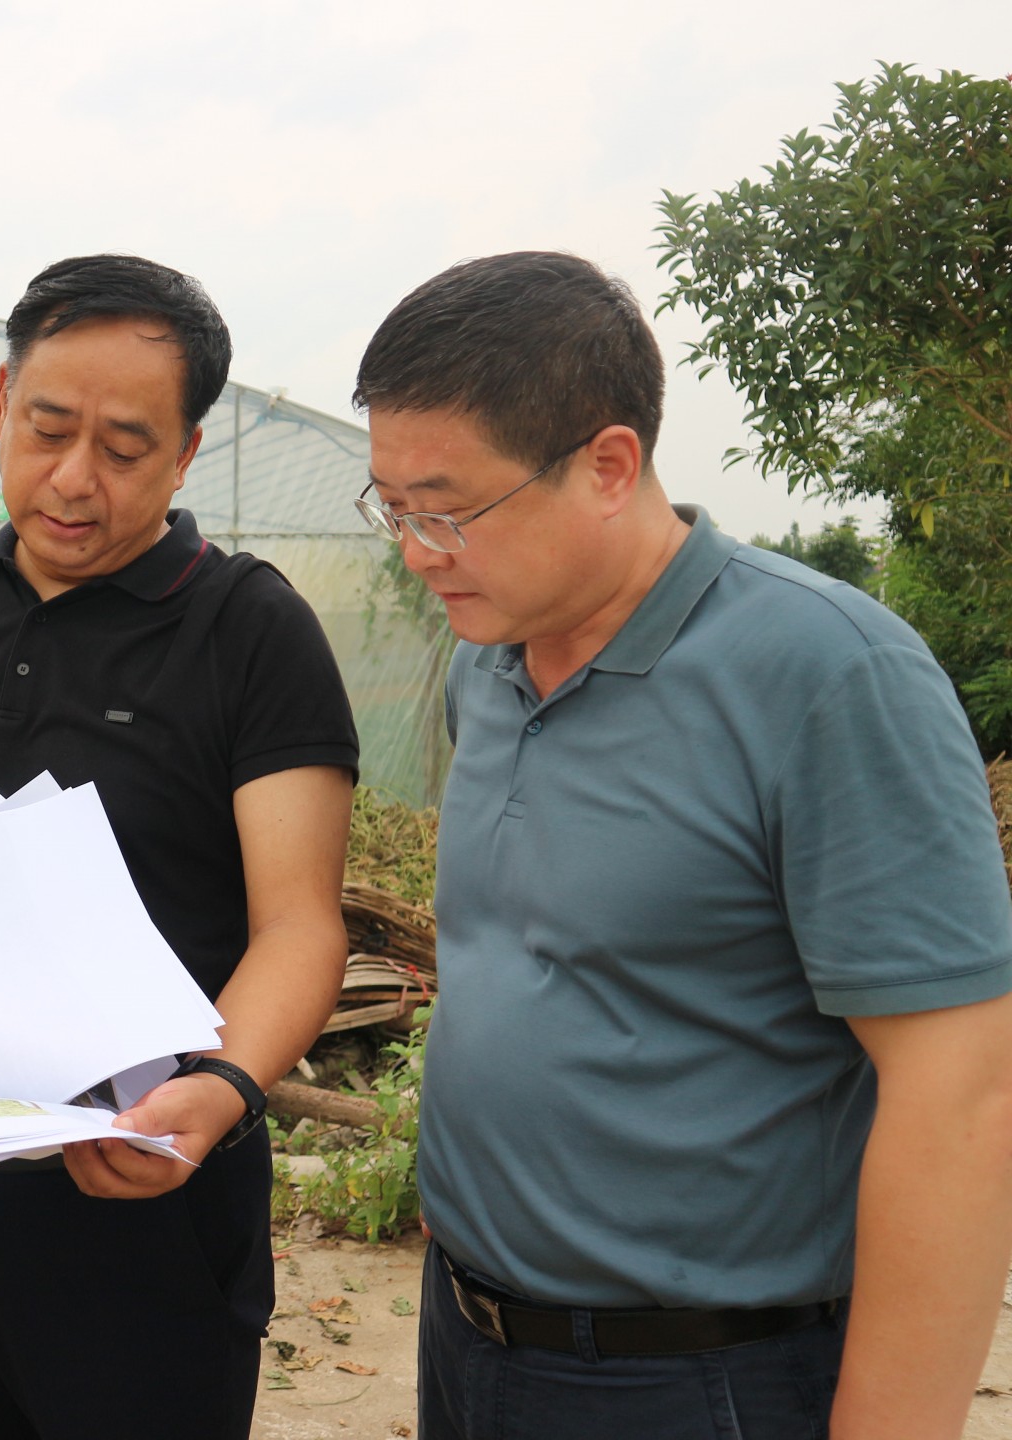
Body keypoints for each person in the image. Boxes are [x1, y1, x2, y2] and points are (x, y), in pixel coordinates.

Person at [351, 250, 1012, 1440]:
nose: (416, 550)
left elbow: (961, 1095)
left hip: (700, 1378)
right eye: (393, 508)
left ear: (609, 465)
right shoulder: (486, 665)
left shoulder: (827, 677)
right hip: (469, 1336)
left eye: (448, 510)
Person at [0, 253, 360, 1439]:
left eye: (123, 449)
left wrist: (217, 1092)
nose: (71, 480)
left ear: (187, 453)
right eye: (46, 429)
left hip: (137, 1188)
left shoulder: (249, 629)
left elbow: (301, 922)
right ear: (1, 402)